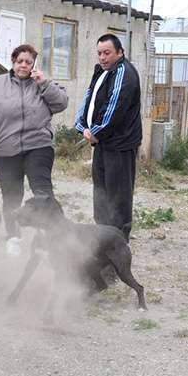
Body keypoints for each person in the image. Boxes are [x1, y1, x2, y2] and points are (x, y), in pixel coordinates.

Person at [0, 44, 68, 253]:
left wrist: (44, 84)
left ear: (34, 65)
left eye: (28, 62)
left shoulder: (41, 84)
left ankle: (53, 238)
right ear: (13, 62)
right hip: (5, 150)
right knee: (11, 196)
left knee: (43, 192)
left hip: (38, 145)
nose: (24, 65)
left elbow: (61, 104)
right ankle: (13, 237)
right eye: (20, 61)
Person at [74, 33, 142, 241]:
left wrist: (95, 132)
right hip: (103, 144)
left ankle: (118, 245)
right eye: (99, 53)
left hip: (119, 145)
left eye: (107, 53)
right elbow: (89, 100)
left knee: (118, 198)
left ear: (119, 52)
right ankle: (101, 240)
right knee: (101, 194)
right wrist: (82, 126)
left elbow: (113, 108)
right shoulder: (102, 72)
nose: (102, 57)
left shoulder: (123, 72)